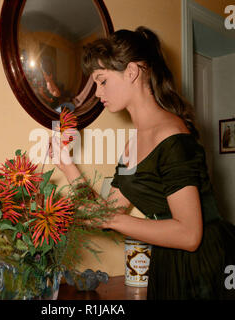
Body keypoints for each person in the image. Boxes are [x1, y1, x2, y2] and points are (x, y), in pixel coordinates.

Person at [49, 26, 235, 300]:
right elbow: (106, 213)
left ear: (132, 72)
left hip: (205, 267)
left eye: (102, 81)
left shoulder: (171, 134)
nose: (97, 93)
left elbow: (189, 234)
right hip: (167, 261)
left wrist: (113, 218)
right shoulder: (132, 146)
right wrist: (67, 165)